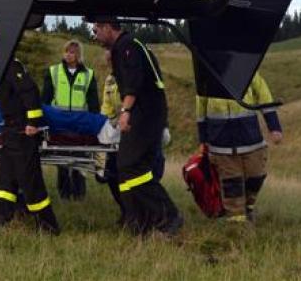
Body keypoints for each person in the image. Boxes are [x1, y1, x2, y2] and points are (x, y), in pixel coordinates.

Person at [92, 17, 182, 237]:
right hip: (147, 115)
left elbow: (134, 83)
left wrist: (125, 112)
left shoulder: (127, 46)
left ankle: (167, 215)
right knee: (126, 166)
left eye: (96, 30)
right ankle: (139, 220)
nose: (94, 35)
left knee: (131, 166)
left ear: (107, 27)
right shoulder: (130, 45)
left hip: (144, 115)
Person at [196, 71, 283, 223]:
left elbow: (264, 96)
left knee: (257, 175)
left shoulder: (248, 70)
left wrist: (274, 127)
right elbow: (201, 111)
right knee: (232, 184)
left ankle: (248, 206)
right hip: (221, 144)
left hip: (251, 139)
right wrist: (204, 140)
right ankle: (237, 225)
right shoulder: (206, 75)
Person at [0, 60, 61, 235]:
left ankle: (48, 227)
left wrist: (33, 122)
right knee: (3, 179)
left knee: (31, 182)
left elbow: (30, 91)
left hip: (23, 131)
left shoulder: (12, 67)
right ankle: (0, 221)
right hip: (10, 130)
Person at [41, 39, 99, 200]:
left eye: (72, 52)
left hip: (80, 124)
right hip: (59, 124)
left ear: (79, 54)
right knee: (62, 159)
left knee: (80, 159)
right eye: (66, 51)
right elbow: (45, 100)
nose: (68, 54)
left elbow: (94, 103)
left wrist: (95, 124)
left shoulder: (88, 75)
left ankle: (79, 195)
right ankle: (64, 195)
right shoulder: (53, 72)